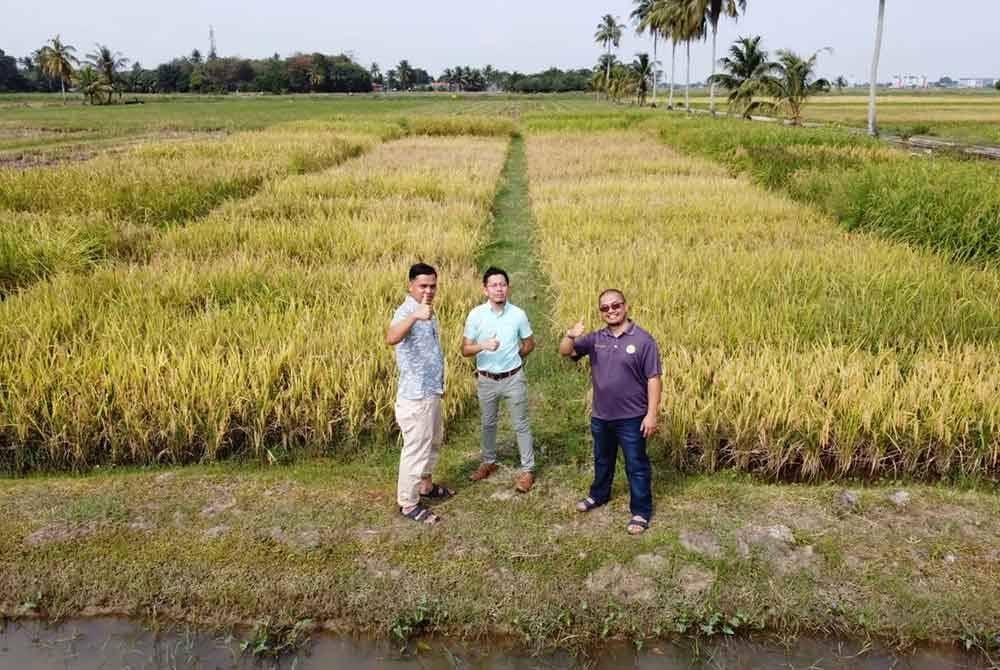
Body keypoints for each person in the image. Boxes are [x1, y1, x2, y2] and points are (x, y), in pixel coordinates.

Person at [558, 289, 662, 535]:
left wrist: (652, 414)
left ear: (626, 307)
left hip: (632, 417)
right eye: (605, 308)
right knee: (602, 459)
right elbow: (566, 352)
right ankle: (599, 495)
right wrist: (570, 336)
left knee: (636, 465)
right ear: (600, 312)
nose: (611, 310)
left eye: (615, 305)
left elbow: (653, 379)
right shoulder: (596, 338)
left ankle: (641, 510)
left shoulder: (643, 340)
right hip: (602, 415)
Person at [386, 262, 454, 525]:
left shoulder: (429, 311)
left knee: (433, 443)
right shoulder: (405, 312)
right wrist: (414, 316)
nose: (429, 290)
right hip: (415, 397)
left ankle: (426, 486)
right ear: (410, 285)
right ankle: (408, 503)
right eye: (423, 286)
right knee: (416, 449)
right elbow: (391, 337)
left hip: (431, 391)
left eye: (433, 286)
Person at [461, 266, 537, 493]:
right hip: (486, 379)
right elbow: (465, 349)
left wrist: (516, 357)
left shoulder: (518, 314)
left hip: (513, 377)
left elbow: (529, 343)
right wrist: (483, 345)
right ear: (485, 290)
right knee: (488, 422)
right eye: (494, 285)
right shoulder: (476, 315)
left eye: (502, 285)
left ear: (508, 288)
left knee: (521, 424)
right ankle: (488, 462)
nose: (499, 289)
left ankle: (528, 470)